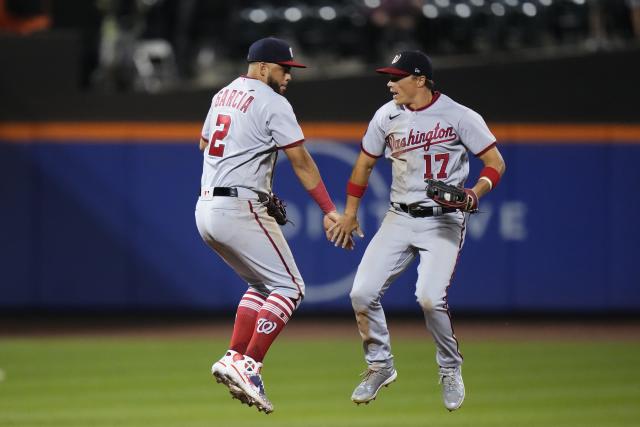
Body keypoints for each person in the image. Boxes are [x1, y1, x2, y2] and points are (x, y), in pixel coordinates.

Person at [329, 50, 506, 411]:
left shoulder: (459, 115)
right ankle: (380, 364)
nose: (390, 83)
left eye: (397, 77)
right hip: (399, 216)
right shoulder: (386, 114)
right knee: (361, 293)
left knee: (429, 298)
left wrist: (475, 192)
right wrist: (349, 214)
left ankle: (450, 368)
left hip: (444, 217)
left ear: (420, 79)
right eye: (389, 77)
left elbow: (494, 162)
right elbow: (363, 164)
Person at [195, 37, 341, 414]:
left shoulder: (222, 95)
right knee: (290, 287)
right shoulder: (273, 101)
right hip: (240, 206)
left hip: (207, 206)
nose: (288, 76)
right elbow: (302, 161)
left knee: (261, 285)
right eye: (283, 69)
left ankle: (232, 357)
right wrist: (328, 208)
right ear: (261, 68)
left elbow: (204, 143)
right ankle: (250, 365)